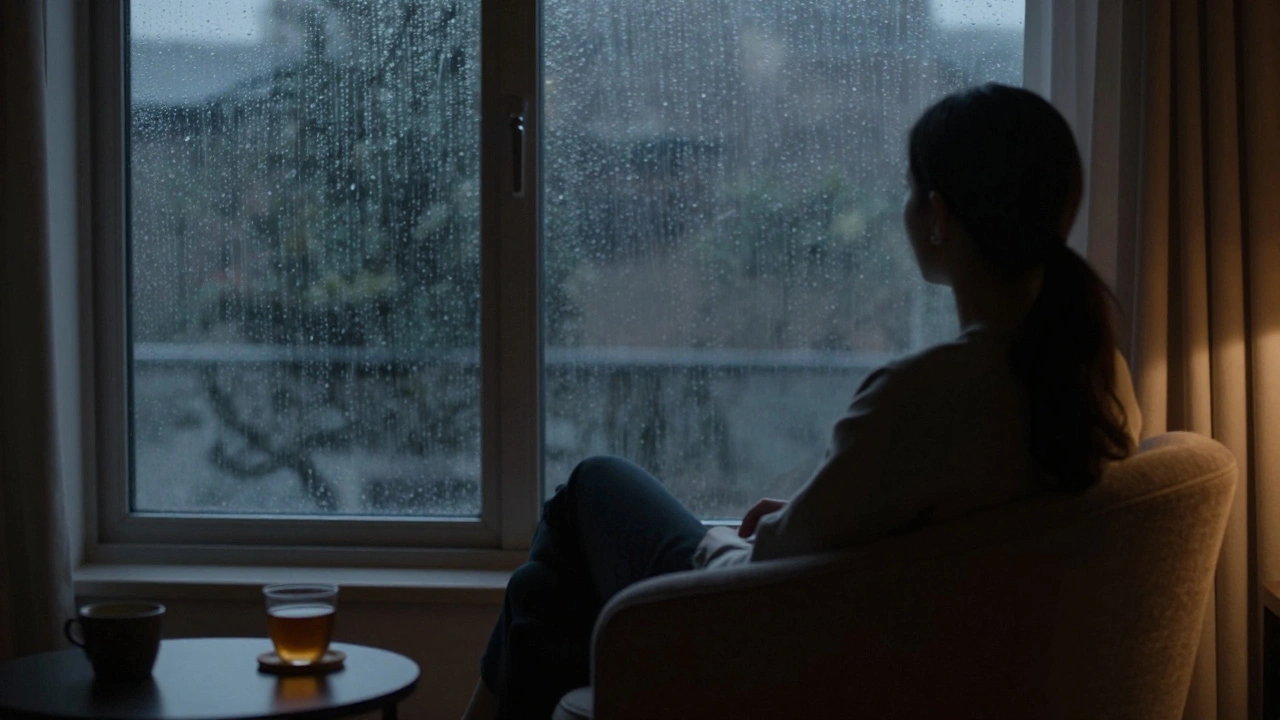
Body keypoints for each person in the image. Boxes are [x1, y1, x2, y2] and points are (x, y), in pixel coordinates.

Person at [461, 83, 1143, 720]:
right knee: (548, 595)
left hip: (775, 644)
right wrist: (803, 517)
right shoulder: (1097, 376)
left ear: (938, 217)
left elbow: (777, 573)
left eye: (910, 190)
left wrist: (724, 544)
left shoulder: (927, 395)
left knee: (588, 491)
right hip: (896, 649)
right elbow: (933, 524)